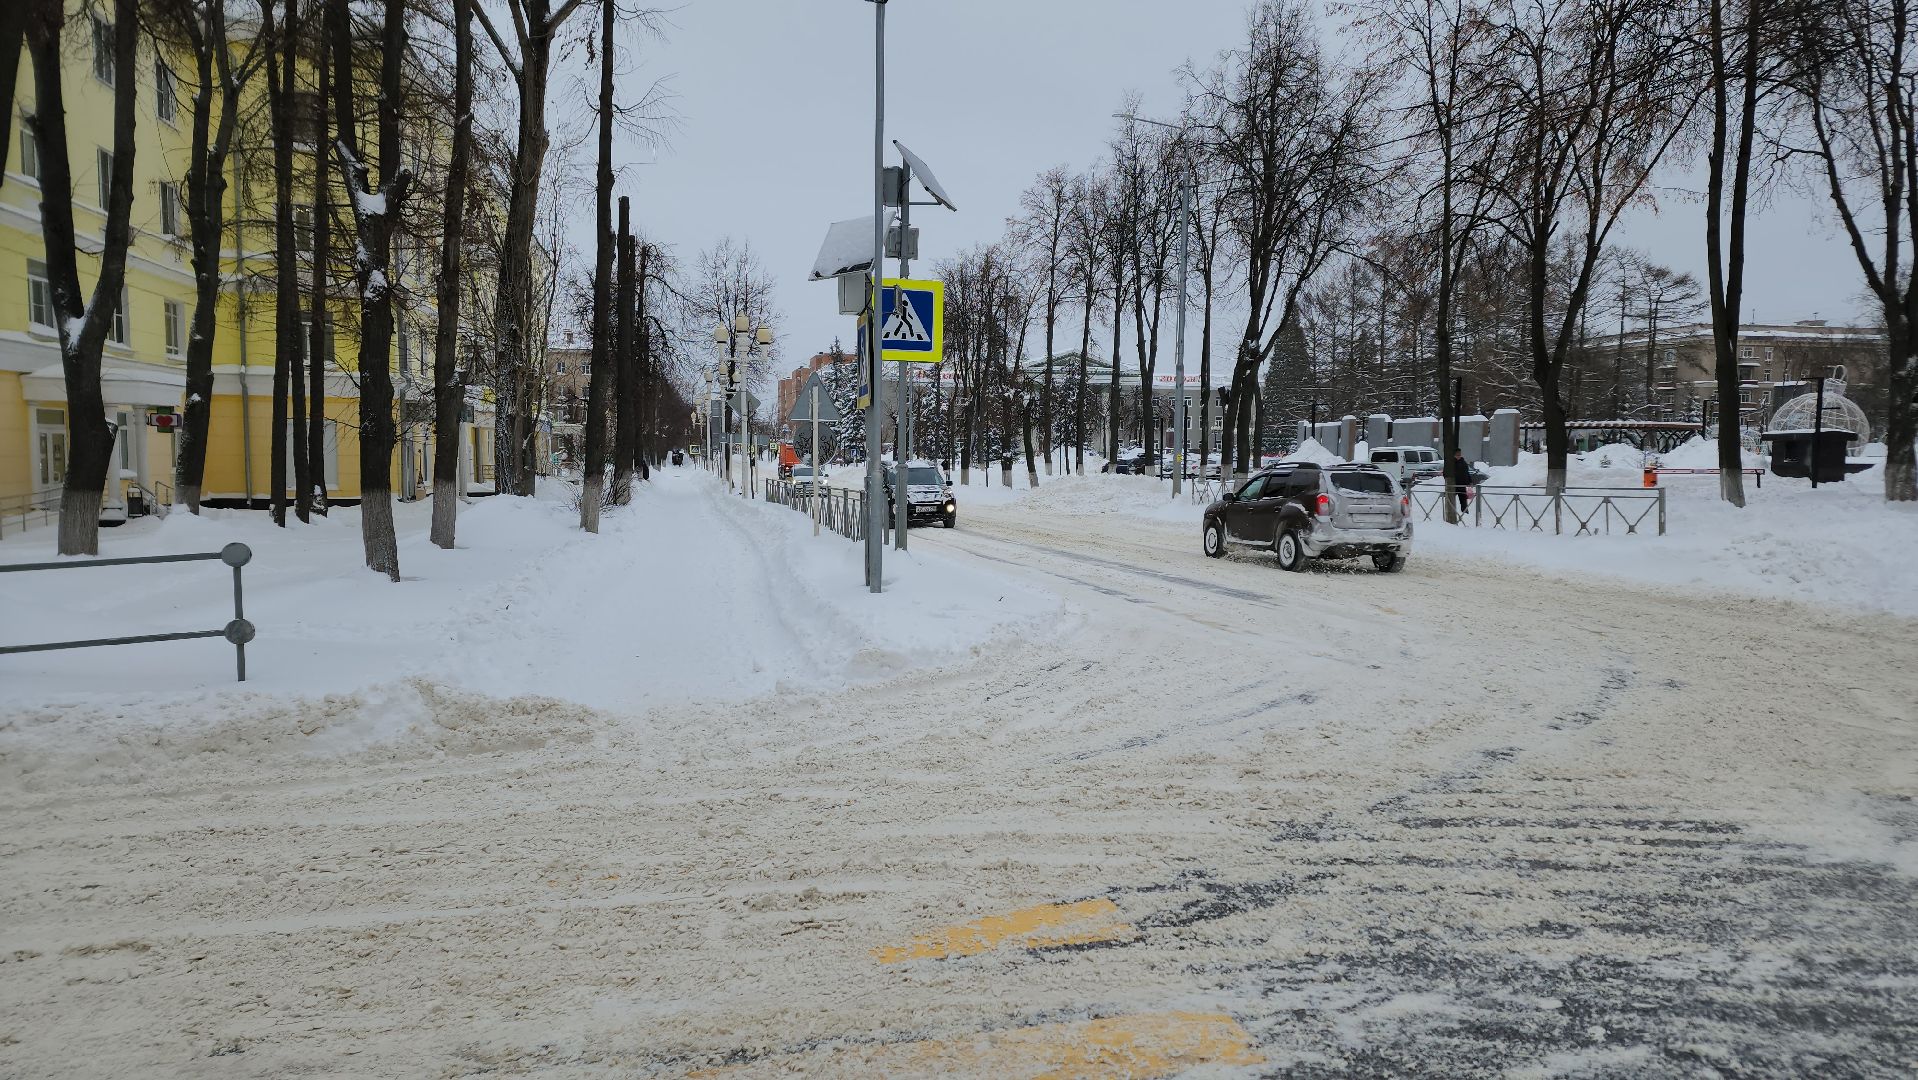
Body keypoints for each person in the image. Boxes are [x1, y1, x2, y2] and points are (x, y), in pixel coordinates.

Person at [1446, 447, 1473, 517]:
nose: (1458, 455)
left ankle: (1465, 515)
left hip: (1463, 485)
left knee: (1463, 501)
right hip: (1454, 485)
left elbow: (1467, 473)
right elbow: (1446, 473)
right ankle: (1451, 514)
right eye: (1457, 454)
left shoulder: (1463, 463)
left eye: (1459, 454)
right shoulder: (1451, 463)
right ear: (1454, 455)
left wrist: (1470, 481)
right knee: (1451, 501)